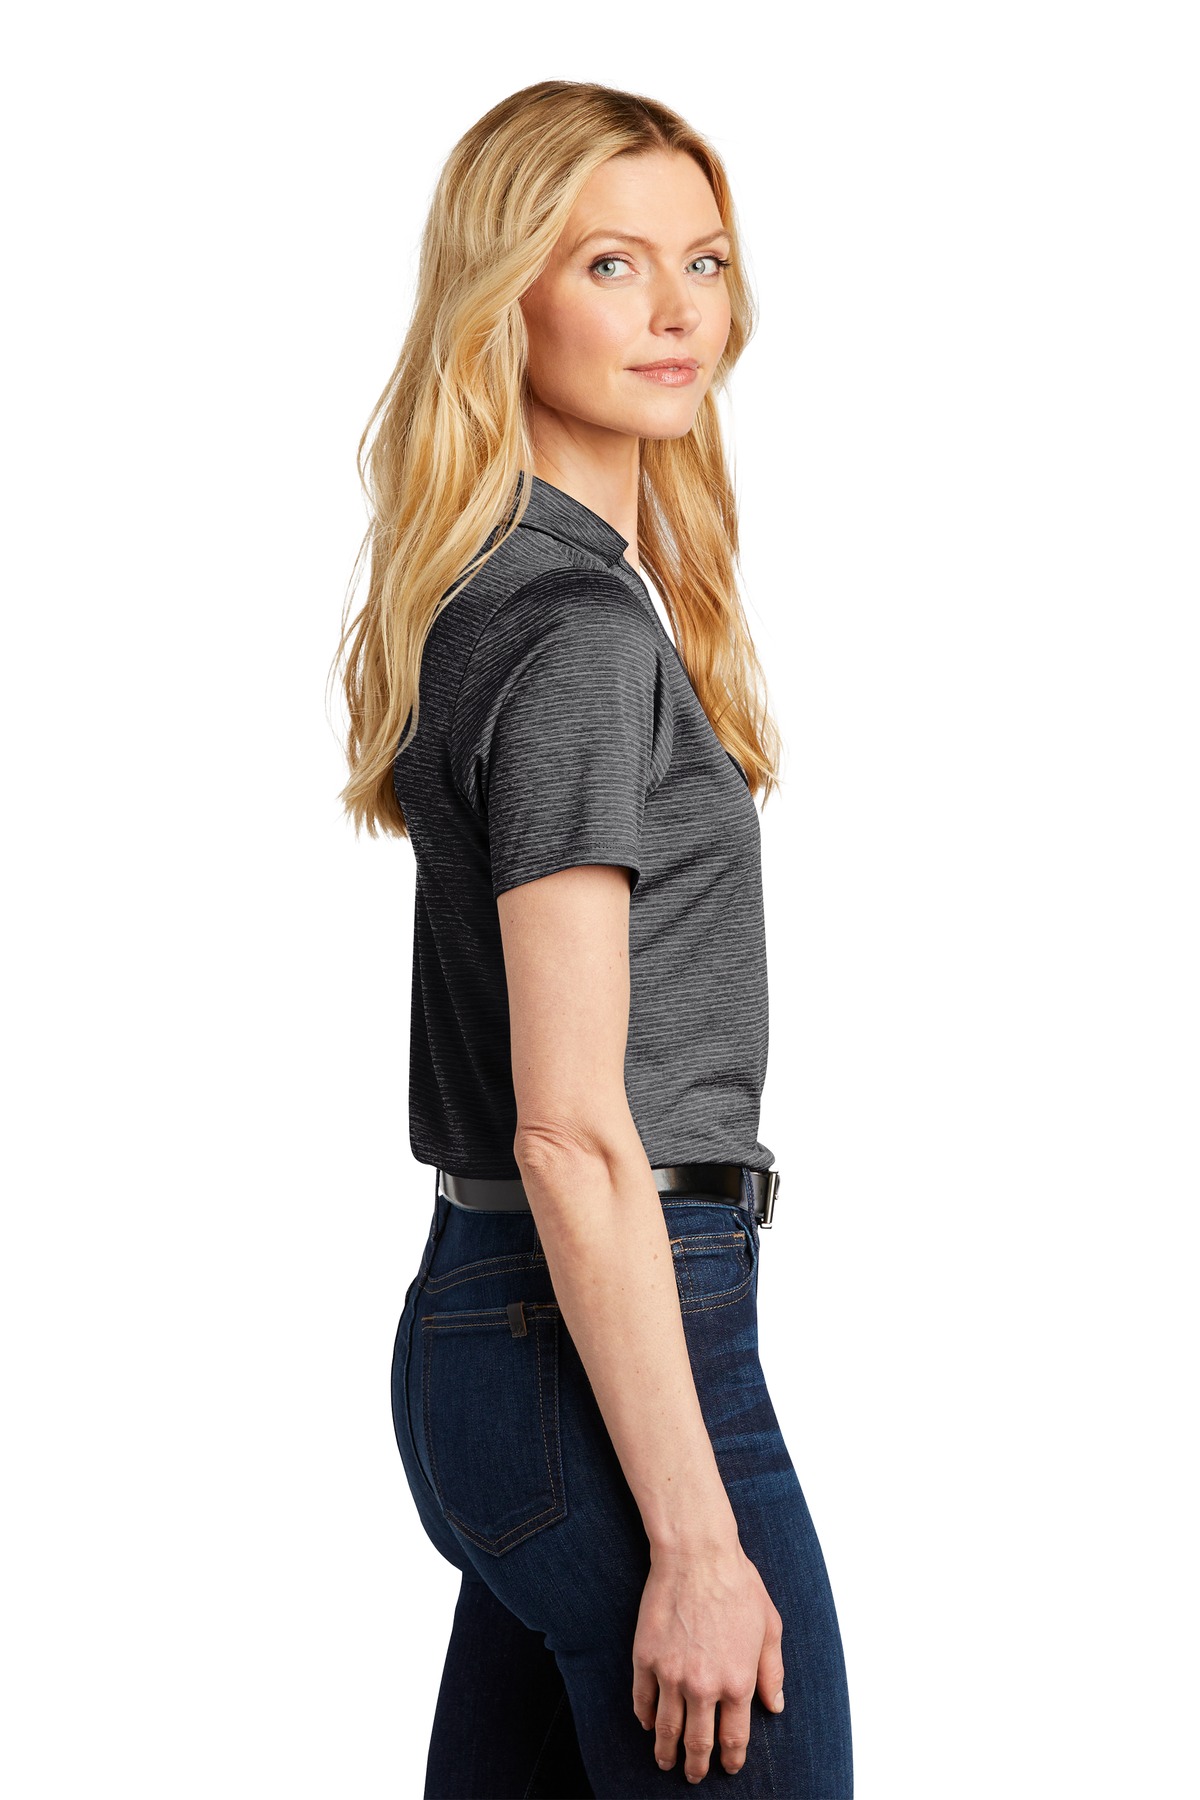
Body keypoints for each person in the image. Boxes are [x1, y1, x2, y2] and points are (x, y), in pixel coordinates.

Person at [331, 78, 854, 1798]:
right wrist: (695, 1540)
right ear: (507, 296)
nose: (677, 309)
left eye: (703, 261)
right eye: (612, 264)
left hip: (503, 1330)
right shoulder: (573, 631)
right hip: (603, 1324)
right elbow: (568, 1127)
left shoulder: (503, 596)